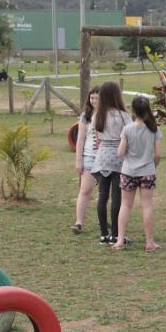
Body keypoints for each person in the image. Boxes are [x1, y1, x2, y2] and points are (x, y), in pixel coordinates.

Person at [114, 96, 163, 251]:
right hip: (147, 171)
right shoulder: (154, 129)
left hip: (128, 171)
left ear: (133, 110)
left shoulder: (127, 129)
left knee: (125, 205)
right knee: (147, 206)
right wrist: (152, 166)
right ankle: (149, 242)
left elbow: (120, 153)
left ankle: (120, 240)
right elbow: (158, 154)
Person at [90, 81, 131, 245]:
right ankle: (115, 234)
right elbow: (128, 135)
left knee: (102, 196)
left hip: (101, 157)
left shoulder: (97, 115)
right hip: (119, 157)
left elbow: (97, 137)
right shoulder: (123, 115)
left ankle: (103, 234)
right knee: (117, 197)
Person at [72, 87, 100, 233]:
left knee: (105, 192)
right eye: (92, 98)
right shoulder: (85, 116)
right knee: (85, 190)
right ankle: (79, 222)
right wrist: (79, 160)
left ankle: (104, 221)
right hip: (89, 156)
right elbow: (80, 139)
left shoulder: (109, 115)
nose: (94, 101)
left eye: (97, 98)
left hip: (105, 158)